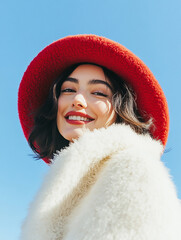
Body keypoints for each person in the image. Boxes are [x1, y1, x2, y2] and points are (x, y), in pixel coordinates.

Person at [18, 34, 181, 240]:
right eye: (68, 89)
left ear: (122, 110)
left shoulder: (132, 172)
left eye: (99, 93)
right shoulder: (60, 189)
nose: (78, 100)